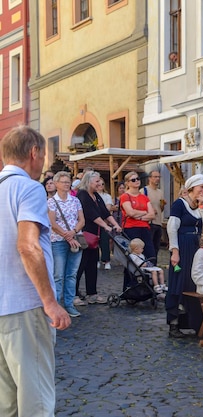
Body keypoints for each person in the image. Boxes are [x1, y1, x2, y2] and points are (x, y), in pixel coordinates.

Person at [0, 125, 71, 416]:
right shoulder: (29, 188)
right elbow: (28, 246)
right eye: (43, 156)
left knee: (7, 401)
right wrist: (51, 303)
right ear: (34, 153)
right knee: (37, 398)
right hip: (26, 305)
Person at [166, 174, 203, 338]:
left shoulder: (202, 207)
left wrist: (201, 207)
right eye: (202, 187)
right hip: (183, 246)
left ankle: (197, 323)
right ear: (192, 188)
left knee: (196, 283)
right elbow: (172, 227)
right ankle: (174, 324)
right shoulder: (179, 204)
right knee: (180, 281)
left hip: (197, 247)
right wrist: (175, 251)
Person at [75, 171, 122, 304]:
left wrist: (115, 224)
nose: (100, 183)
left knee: (92, 264)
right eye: (96, 181)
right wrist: (106, 226)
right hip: (84, 234)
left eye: (100, 181)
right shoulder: (83, 195)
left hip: (95, 236)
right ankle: (73, 294)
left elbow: (104, 212)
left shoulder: (96, 195)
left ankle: (92, 293)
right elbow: (91, 214)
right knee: (80, 265)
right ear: (88, 182)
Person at [48, 171, 86, 318]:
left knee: (72, 274)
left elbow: (82, 220)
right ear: (56, 184)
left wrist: (73, 232)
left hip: (76, 239)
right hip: (58, 241)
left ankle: (69, 305)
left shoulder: (75, 201)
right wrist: (67, 235)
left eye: (68, 181)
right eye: (63, 181)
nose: (67, 184)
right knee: (58, 275)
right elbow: (52, 223)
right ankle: (56, 306)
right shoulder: (51, 202)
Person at [120, 171, 157, 261]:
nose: (136, 181)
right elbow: (130, 212)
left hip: (145, 228)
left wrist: (139, 216)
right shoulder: (125, 196)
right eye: (133, 180)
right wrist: (145, 212)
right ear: (128, 183)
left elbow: (152, 214)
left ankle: (149, 273)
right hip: (131, 228)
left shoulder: (144, 197)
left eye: (138, 179)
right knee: (133, 256)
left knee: (150, 254)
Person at [143, 170, 166, 256]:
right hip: (149, 222)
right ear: (149, 178)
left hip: (158, 222)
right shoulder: (144, 191)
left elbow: (161, 209)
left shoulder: (160, 192)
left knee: (156, 247)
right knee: (149, 246)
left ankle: (154, 265)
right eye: (155, 177)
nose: (157, 179)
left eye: (159, 177)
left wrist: (162, 205)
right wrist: (150, 210)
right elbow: (140, 206)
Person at [97, 180, 113, 270]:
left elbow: (107, 209)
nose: (100, 186)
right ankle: (96, 260)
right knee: (95, 242)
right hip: (94, 222)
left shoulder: (107, 196)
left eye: (102, 184)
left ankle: (106, 260)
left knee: (105, 242)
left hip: (104, 221)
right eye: (99, 184)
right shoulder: (92, 196)